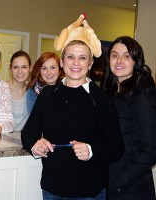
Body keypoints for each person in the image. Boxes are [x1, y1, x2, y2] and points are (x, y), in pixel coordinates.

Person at [21, 14, 124, 200]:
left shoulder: (101, 99)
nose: (76, 63)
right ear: (62, 62)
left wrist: (91, 151)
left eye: (82, 58)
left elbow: (116, 147)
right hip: (52, 188)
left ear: (91, 63)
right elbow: (28, 132)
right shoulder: (48, 95)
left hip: (89, 191)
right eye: (70, 57)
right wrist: (34, 145)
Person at [101, 36, 156, 200]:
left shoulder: (141, 97)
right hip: (112, 185)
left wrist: (119, 182)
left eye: (127, 56)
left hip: (131, 190)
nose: (119, 60)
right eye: (114, 55)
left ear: (136, 61)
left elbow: (149, 152)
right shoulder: (112, 92)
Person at [6, 50, 31, 132]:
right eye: (15, 67)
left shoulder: (33, 90)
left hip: (25, 141)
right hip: (2, 140)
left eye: (24, 67)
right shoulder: (2, 89)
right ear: (10, 69)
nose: (20, 71)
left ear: (30, 69)